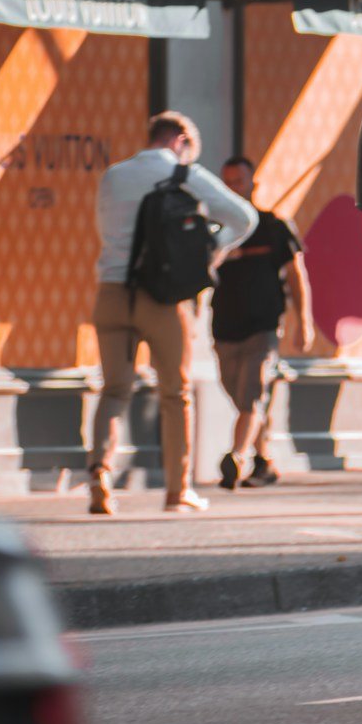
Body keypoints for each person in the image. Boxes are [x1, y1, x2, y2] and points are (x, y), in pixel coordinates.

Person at [87, 112, 256, 515]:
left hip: (111, 293)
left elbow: (105, 230)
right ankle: (177, 491)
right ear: (180, 140)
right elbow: (245, 217)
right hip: (162, 298)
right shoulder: (185, 174)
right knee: (175, 394)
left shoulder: (113, 176)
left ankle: (99, 476)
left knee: (114, 390)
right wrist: (213, 252)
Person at [210, 155, 313, 492]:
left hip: (263, 328)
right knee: (239, 394)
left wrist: (303, 321)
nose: (232, 189)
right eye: (226, 183)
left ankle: (236, 458)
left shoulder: (273, 226)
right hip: (225, 329)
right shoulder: (218, 234)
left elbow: (296, 274)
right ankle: (264, 460)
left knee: (252, 396)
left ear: (252, 184)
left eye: (238, 182)